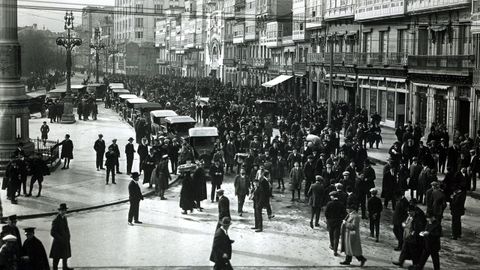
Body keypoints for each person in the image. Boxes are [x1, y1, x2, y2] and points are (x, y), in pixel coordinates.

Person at [49, 203, 73, 270]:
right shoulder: (56, 220)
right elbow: (52, 232)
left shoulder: (64, 218)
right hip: (58, 242)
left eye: (64, 210)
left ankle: (65, 267)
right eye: (62, 210)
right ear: (59, 211)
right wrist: (60, 238)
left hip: (65, 240)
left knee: (65, 255)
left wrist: (68, 236)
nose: (63, 212)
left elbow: (66, 228)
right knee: (56, 257)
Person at [325, 191, 347, 256]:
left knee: (331, 234)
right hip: (338, 222)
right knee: (336, 237)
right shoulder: (341, 204)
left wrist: (328, 219)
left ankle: (331, 245)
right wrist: (341, 219)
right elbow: (344, 213)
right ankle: (335, 250)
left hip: (331, 222)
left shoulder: (329, 203)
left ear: (333, 196)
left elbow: (326, 213)